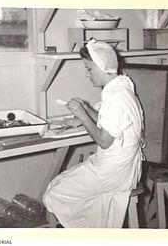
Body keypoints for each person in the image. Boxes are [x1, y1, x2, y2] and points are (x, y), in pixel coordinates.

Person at [42, 38, 145, 228]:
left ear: (101, 66)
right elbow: (109, 124)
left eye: (89, 69)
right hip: (121, 166)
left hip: (114, 170)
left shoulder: (117, 97)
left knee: (54, 193)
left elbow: (104, 140)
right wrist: (87, 110)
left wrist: (82, 115)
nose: (87, 75)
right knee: (59, 182)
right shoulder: (122, 87)